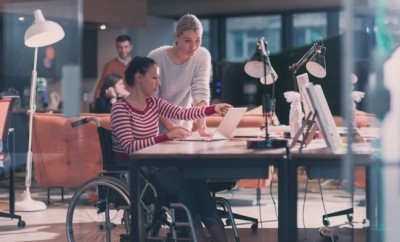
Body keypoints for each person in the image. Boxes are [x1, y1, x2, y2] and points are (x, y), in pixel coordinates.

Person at [110, 56, 230, 242]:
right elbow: (130, 148)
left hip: (157, 167)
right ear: (139, 77)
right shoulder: (120, 109)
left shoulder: (154, 104)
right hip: (137, 172)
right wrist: (165, 136)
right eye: (154, 77)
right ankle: (197, 237)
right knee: (185, 187)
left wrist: (213, 109)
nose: (158, 83)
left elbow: (183, 113)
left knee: (198, 184)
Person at [148, 14, 211, 137]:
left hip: (184, 129)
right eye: (188, 41)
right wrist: (171, 127)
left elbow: (201, 92)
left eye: (198, 40)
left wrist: (201, 128)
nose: (194, 47)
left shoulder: (202, 55)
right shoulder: (156, 57)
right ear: (177, 36)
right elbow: (152, 100)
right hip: (156, 130)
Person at [92, 34, 133, 109]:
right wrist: (96, 101)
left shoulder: (137, 65)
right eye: (120, 47)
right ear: (116, 48)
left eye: (126, 47)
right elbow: (101, 86)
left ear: (130, 47)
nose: (123, 50)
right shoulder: (110, 65)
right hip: (116, 103)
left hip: (134, 103)